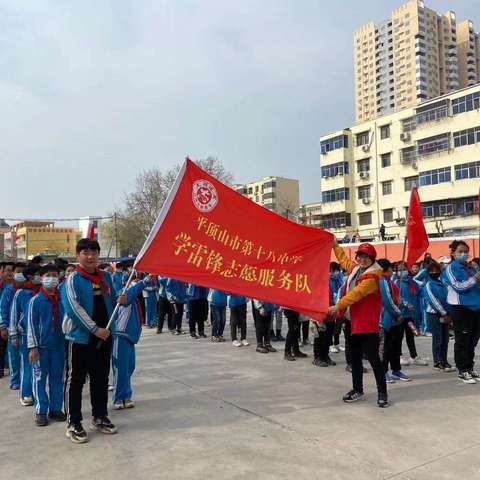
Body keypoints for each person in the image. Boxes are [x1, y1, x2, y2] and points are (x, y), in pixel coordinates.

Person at [62, 239, 137, 444]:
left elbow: (112, 301)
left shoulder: (105, 277)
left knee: (101, 377)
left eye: (94, 252)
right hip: (79, 338)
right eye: (85, 252)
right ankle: (74, 422)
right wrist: (95, 329)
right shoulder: (73, 279)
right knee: (75, 380)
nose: (90, 256)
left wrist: (121, 299)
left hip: (105, 336)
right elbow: (73, 309)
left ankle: (99, 416)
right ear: (78, 255)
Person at [329, 240, 388, 408]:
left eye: (366, 257)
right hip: (351, 321)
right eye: (360, 256)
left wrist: (337, 306)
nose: (362, 259)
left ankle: (382, 392)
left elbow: (356, 293)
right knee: (354, 358)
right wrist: (335, 245)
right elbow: (344, 261)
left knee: (373, 359)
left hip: (366, 324)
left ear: (372, 258)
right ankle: (357, 389)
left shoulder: (373, 276)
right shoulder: (356, 269)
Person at [27, 264, 66, 426]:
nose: (52, 278)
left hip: (59, 346)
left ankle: (56, 409)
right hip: (41, 348)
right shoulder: (36, 300)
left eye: (55, 275)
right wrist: (33, 347)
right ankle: (41, 411)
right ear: (42, 278)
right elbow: (31, 324)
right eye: (48, 275)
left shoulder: (63, 298)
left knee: (57, 379)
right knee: (39, 380)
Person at [111, 273, 152, 410]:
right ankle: (118, 398)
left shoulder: (134, 300)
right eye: (133, 280)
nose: (135, 283)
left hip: (130, 337)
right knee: (120, 369)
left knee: (129, 367)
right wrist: (145, 282)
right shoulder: (122, 294)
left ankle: (126, 396)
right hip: (120, 336)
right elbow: (128, 297)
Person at [442, 240, 480, 384]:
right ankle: (462, 370)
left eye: (466, 251)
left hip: (476, 309)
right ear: (453, 253)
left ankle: (470, 367)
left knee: (473, 340)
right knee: (462, 341)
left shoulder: (470, 268)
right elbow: (458, 287)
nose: (464, 254)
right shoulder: (451, 268)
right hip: (462, 309)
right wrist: (475, 279)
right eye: (460, 252)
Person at [9, 263, 42, 406]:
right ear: (30, 276)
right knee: (27, 365)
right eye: (38, 274)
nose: (41, 277)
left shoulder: (43, 292)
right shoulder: (21, 293)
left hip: (42, 335)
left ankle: (37, 393)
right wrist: (14, 335)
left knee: (40, 368)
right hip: (25, 335)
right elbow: (14, 315)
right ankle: (26, 393)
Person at [377, 259, 406, 384]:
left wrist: (401, 302)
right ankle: (383, 372)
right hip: (386, 319)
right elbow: (387, 301)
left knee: (396, 346)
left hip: (395, 320)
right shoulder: (382, 281)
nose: (393, 271)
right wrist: (398, 313)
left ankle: (396, 369)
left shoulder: (390, 282)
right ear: (387, 269)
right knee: (385, 348)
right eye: (391, 268)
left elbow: (396, 297)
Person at [395, 262, 428, 367]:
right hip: (400, 315)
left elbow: (420, 291)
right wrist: (405, 304)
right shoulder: (395, 282)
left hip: (410, 315)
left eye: (404, 268)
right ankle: (398, 356)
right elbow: (396, 296)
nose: (402, 271)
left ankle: (414, 356)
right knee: (399, 337)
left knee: (410, 335)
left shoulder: (411, 281)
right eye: (399, 269)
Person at [424, 261, 454, 373]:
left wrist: (450, 313)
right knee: (438, 339)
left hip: (446, 314)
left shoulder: (443, 284)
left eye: (436, 270)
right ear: (428, 273)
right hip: (434, 315)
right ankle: (437, 362)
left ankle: (444, 360)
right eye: (431, 271)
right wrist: (444, 313)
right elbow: (433, 301)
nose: (434, 272)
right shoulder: (428, 285)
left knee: (445, 339)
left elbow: (448, 299)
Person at [0, 262, 26, 389]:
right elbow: (3, 309)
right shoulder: (8, 290)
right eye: (17, 272)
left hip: (26, 330)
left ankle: (25, 380)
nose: (20, 275)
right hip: (12, 329)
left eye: (23, 272)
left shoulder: (29, 290)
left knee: (25, 357)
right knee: (14, 356)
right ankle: (15, 380)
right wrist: (3, 326)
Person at [0, 261, 15, 378]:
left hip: (10, 324)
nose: (10, 273)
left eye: (12, 271)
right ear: (1, 271)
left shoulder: (15, 288)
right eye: (8, 270)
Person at [329, 262, 344, 354]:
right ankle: (331, 345)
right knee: (331, 325)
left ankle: (337, 343)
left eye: (338, 270)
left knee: (338, 324)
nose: (337, 272)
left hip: (339, 303)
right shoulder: (327, 279)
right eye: (336, 270)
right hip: (331, 304)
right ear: (331, 270)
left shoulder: (339, 277)